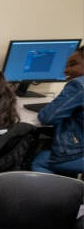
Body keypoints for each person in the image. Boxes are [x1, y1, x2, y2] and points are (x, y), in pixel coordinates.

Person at [31, 46, 84, 176]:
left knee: (39, 161)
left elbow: (47, 117)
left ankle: (55, 196)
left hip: (80, 153)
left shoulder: (78, 85)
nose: (66, 70)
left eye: (73, 64)